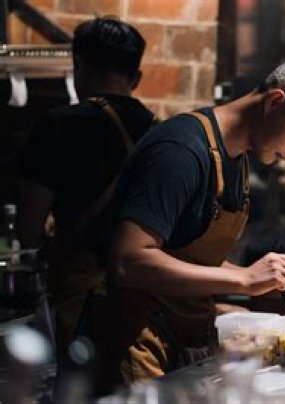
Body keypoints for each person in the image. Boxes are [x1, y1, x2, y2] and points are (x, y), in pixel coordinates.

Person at [106, 60, 285, 385]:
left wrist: (266, 277)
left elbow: (187, 256)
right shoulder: (181, 151)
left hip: (181, 336)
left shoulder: (236, 157)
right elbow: (127, 260)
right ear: (275, 102)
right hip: (136, 341)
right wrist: (242, 279)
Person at [16, 17, 156, 365]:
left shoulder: (58, 124)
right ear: (136, 77)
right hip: (143, 295)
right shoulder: (159, 131)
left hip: (78, 298)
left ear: (79, 65)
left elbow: (28, 229)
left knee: (77, 380)